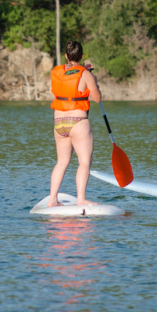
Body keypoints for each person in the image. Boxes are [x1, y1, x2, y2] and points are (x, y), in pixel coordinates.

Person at [48, 40, 102, 207]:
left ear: (66, 56)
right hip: (78, 122)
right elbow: (97, 98)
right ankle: (81, 199)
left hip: (59, 123)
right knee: (85, 161)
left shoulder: (55, 71)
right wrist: (94, 80)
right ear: (82, 56)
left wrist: (83, 71)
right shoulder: (86, 74)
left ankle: (52, 200)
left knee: (62, 162)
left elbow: (69, 76)